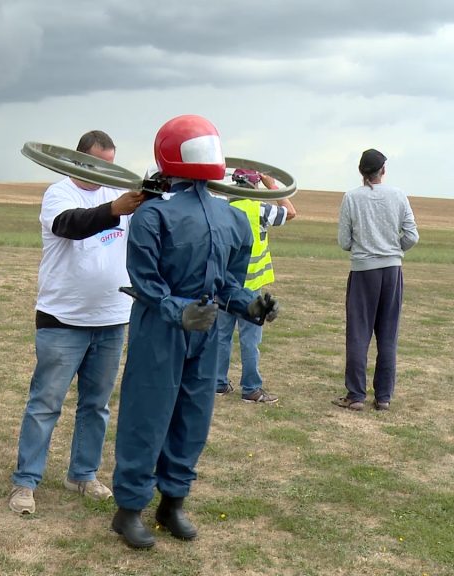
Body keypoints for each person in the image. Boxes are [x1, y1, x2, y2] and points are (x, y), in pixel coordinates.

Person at [110, 115, 280, 548]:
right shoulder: (154, 216)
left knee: (193, 416)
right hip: (161, 331)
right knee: (147, 415)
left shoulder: (229, 219)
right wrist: (178, 310)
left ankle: (172, 502)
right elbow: (147, 284)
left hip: (203, 332)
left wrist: (250, 304)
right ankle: (129, 508)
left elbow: (228, 283)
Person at [8, 131, 145, 515]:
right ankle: (25, 482)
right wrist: (115, 209)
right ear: (79, 160)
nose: (104, 172)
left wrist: (151, 199)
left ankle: (83, 474)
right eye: (98, 163)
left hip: (113, 318)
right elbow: (70, 225)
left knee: (96, 405)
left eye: (110, 164)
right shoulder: (59, 193)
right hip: (62, 319)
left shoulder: (120, 196)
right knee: (45, 403)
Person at [333, 148, 418, 412]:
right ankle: (383, 397)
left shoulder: (351, 197)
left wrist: (365, 248)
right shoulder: (399, 195)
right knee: (388, 335)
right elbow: (412, 236)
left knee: (358, 334)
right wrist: (394, 249)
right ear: (383, 171)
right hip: (392, 271)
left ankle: (356, 395)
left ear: (361, 173)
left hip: (362, 271)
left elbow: (344, 241)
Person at [216, 169, 297, 403]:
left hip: (224, 285)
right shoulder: (259, 208)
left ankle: (219, 383)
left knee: (222, 337)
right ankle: (251, 388)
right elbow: (290, 211)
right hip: (250, 287)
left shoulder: (224, 209)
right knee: (250, 339)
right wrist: (273, 186)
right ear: (254, 186)